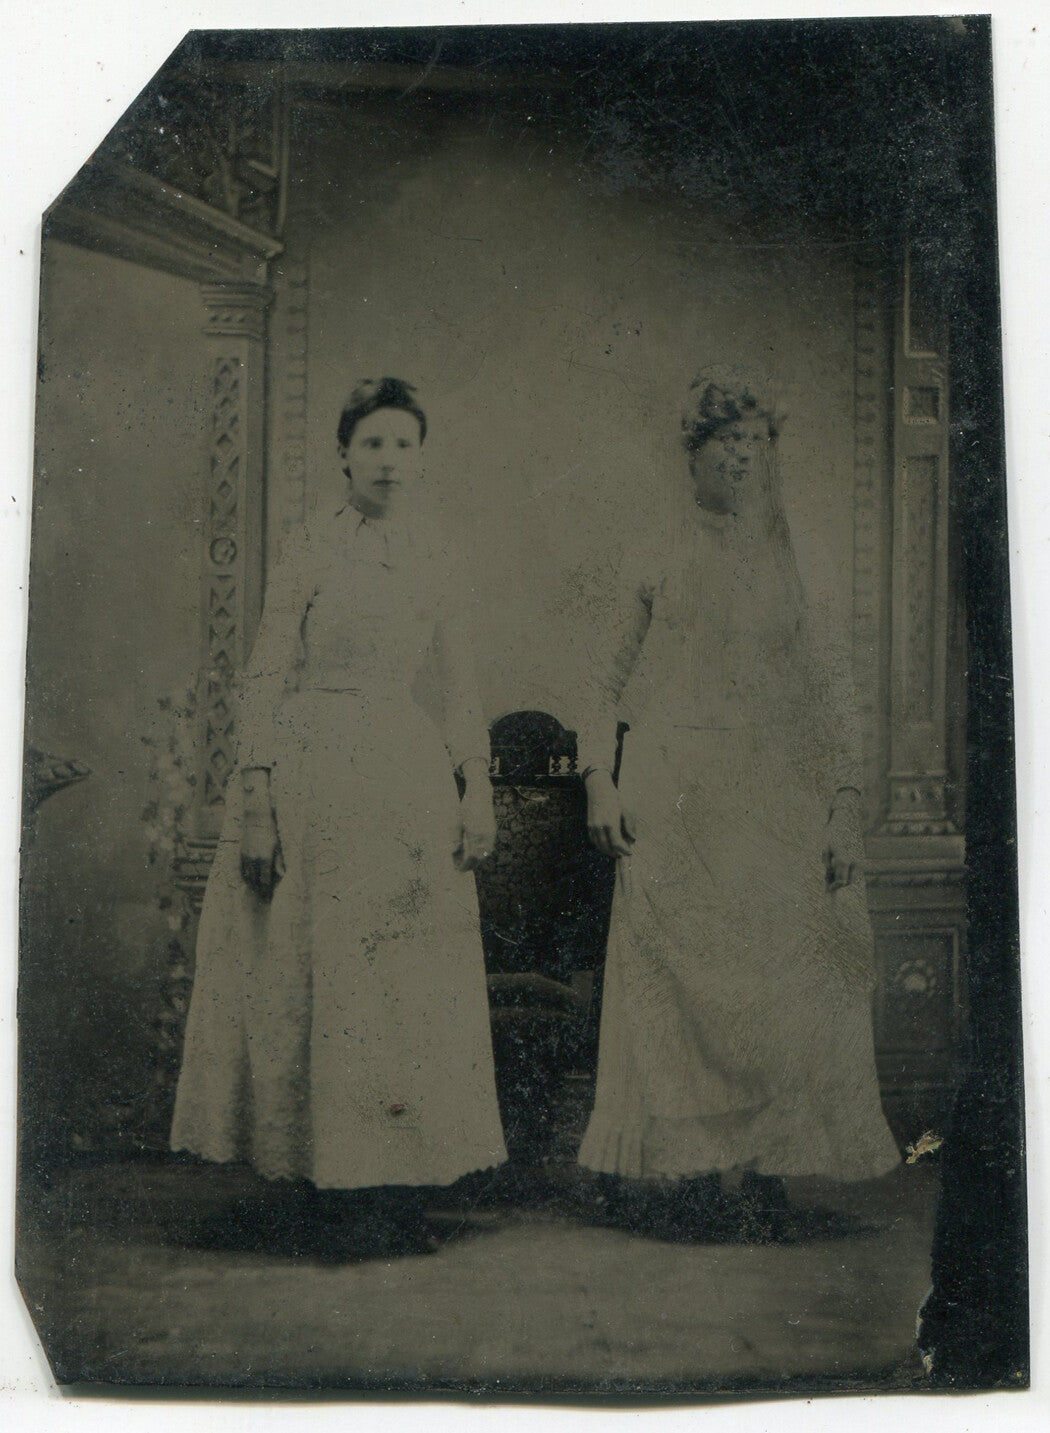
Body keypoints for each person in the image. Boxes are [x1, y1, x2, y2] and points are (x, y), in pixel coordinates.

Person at [171, 377, 507, 1250]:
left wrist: (476, 785)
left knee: (402, 982)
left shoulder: (438, 553)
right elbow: (263, 673)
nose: (389, 461)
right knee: (322, 976)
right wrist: (256, 799)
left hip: (405, 775)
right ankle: (327, 1189)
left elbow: (461, 682)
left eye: (404, 444)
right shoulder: (310, 547)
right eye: (372, 444)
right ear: (344, 456)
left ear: (421, 457)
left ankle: (392, 1188)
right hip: (313, 772)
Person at [571, 368, 900, 1235]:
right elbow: (600, 677)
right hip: (674, 794)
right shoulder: (655, 547)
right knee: (675, 986)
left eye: (755, 441)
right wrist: (599, 776)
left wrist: (843, 801)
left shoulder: (800, 554)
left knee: (778, 979)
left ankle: (759, 1173)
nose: (743, 457)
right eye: (725, 441)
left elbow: (833, 687)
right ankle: (688, 1175)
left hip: (773, 793)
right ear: (693, 453)